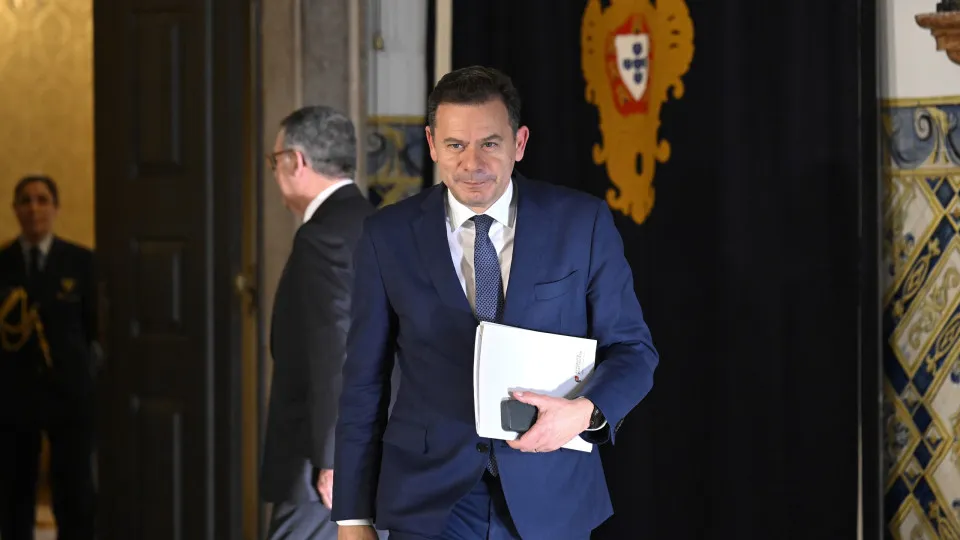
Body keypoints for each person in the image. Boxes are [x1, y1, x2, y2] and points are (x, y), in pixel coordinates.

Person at [333, 66, 660, 540]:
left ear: (519, 143)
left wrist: (584, 412)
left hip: (551, 496)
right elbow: (363, 382)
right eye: (455, 145)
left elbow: (634, 351)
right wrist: (352, 516)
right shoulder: (387, 236)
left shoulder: (581, 223)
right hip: (428, 505)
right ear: (431, 145)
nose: (472, 163)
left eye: (489, 143)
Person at [259, 105, 385, 540]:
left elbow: (338, 346)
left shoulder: (322, 236)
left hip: (323, 466)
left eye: (275, 161)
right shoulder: (377, 223)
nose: (275, 173)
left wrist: (335, 459)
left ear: (295, 161)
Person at [0, 175, 98, 540]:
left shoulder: (81, 262)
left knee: (74, 488)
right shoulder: (2, 262)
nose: (34, 208)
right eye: (25, 200)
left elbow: (94, 328)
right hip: (13, 392)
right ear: (15, 209)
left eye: (42, 200)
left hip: (68, 392)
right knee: (14, 489)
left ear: (56, 208)